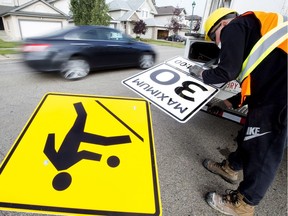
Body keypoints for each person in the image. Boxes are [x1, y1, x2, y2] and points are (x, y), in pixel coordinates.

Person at [189, 7, 287, 216]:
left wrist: (201, 74)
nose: (219, 45)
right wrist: (231, 101)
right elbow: (256, 70)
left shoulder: (235, 26)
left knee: (264, 145)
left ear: (222, 25)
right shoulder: (254, 29)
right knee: (251, 132)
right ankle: (231, 167)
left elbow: (227, 71)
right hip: (276, 86)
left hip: (282, 92)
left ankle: (244, 203)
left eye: (216, 39)